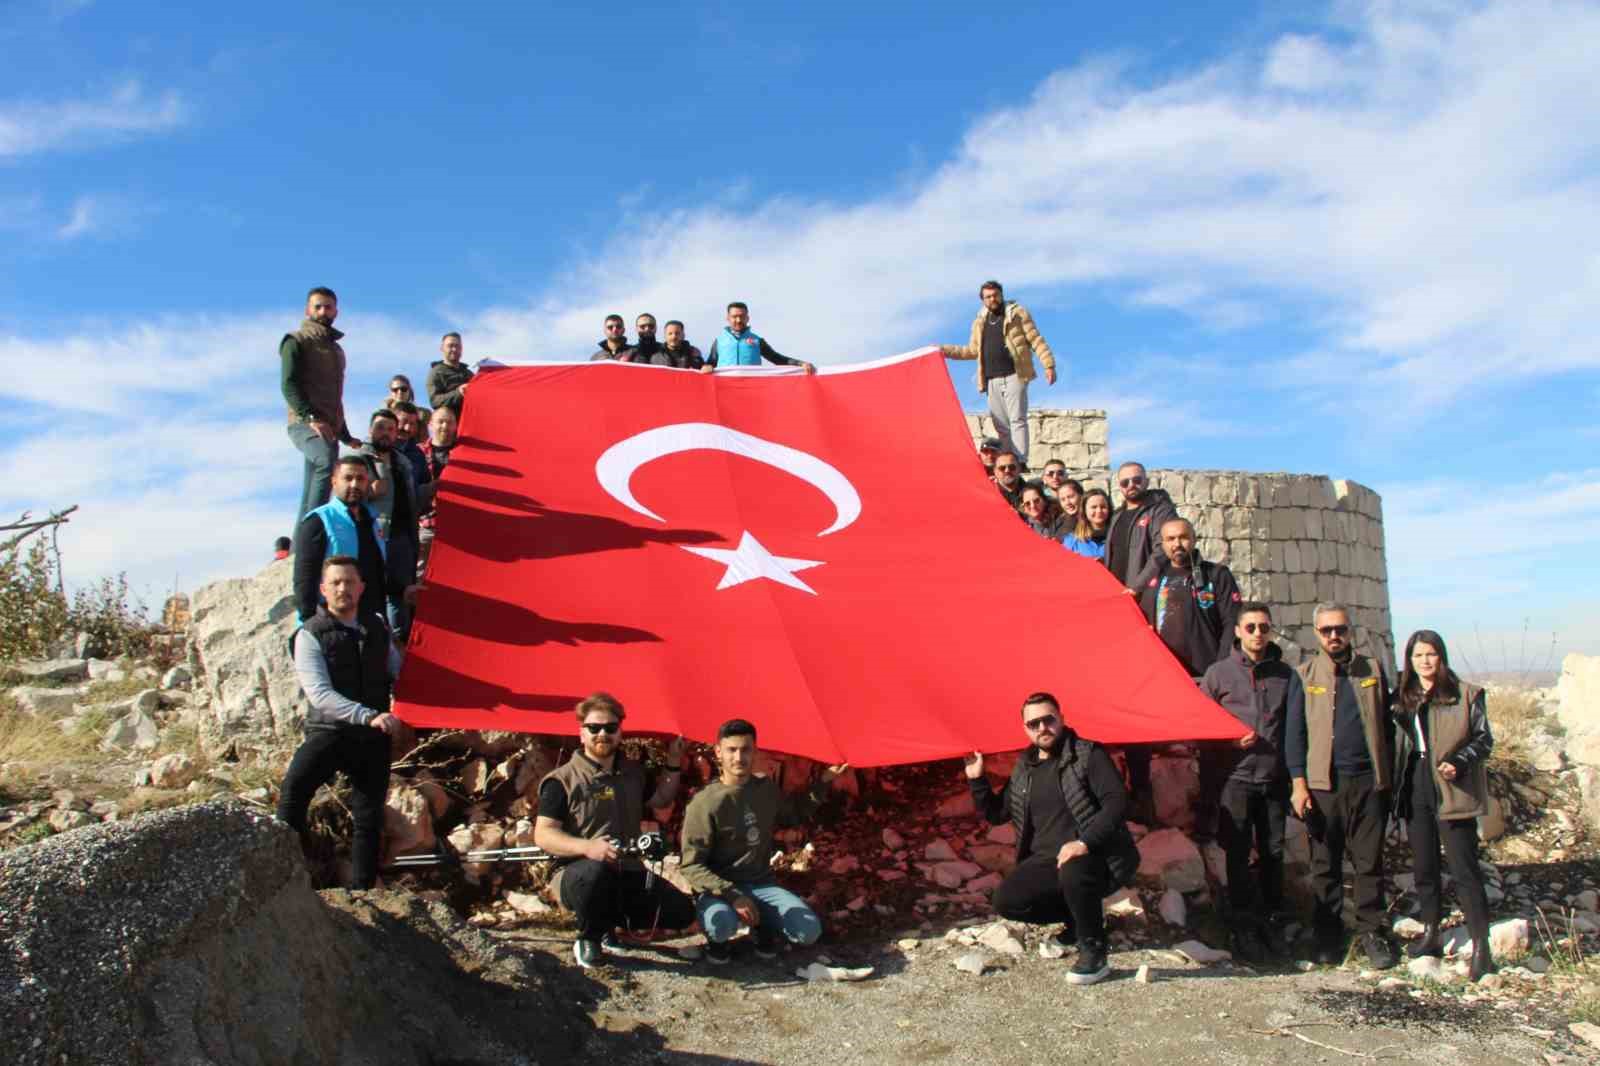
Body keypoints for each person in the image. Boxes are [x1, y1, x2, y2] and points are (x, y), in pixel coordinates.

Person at [967, 692, 1139, 986]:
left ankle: (1093, 951)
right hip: (1045, 860)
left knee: (1073, 868)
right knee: (1007, 901)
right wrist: (977, 779)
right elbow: (997, 814)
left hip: (1095, 853)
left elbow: (1117, 802)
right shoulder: (1026, 766)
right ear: (1025, 729)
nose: (1042, 728)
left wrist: (1083, 842)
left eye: (1048, 719)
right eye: (1033, 724)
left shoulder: (1088, 754)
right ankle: (1078, 919)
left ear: (1062, 719)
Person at [534, 693, 695, 969]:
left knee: (682, 912)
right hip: (577, 874)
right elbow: (544, 835)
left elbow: (661, 800)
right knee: (594, 873)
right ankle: (590, 938)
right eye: (593, 728)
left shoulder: (633, 774)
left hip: (628, 870)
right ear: (581, 733)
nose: (602, 734)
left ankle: (612, 922)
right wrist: (586, 847)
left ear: (620, 732)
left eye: (610, 728)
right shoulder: (561, 781)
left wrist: (673, 761)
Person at [276, 555, 404, 890]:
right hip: (329, 732)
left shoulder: (377, 625)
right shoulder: (309, 635)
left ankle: (365, 895)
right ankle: (292, 879)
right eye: (335, 582)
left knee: (369, 818)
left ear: (361, 587)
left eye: (349, 581)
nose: (342, 588)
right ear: (323, 589)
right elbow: (320, 695)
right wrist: (369, 715)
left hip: (372, 738)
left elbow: (397, 670)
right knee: (292, 797)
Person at [680, 719, 846, 963]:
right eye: (731, 750)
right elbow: (691, 865)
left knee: (808, 931)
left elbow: (793, 813)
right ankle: (717, 942)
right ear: (718, 752)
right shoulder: (704, 803)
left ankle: (763, 928)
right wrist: (732, 895)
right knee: (721, 925)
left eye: (746, 749)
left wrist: (824, 782)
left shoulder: (765, 789)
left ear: (755, 751)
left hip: (761, 884)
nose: (739, 757)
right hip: (720, 890)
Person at [1287, 603, 1397, 969]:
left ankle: (1371, 932)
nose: (1334, 636)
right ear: (1316, 634)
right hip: (1324, 785)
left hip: (1368, 782)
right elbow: (1295, 736)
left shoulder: (1373, 671)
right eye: (1326, 631)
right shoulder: (1304, 676)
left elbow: (1387, 726)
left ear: (1350, 631)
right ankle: (1327, 936)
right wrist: (1299, 785)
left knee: (1369, 863)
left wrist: (1389, 781)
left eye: (1340, 629)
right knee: (1325, 863)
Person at [1199, 602, 1301, 962]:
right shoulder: (1219, 674)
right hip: (1236, 779)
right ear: (1239, 632)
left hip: (1273, 779)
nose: (1258, 634)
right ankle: (1242, 922)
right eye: (1252, 627)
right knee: (1238, 853)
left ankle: (1273, 916)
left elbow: (1295, 728)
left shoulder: (1286, 676)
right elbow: (1202, 724)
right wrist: (1228, 740)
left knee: (1273, 850)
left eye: (1264, 627)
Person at [1392, 629, 1495, 979]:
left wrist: (1460, 760)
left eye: (1431, 654)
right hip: (1416, 782)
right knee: (1424, 866)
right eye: (1418, 655)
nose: (1425, 661)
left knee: (1465, 869)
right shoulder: (1403, 696)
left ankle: (1482, 946)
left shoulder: (1465, 695)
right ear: (1410, 660)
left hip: (1452, 784)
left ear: (1442, 656)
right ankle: (1431, 932)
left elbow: (1484, 739)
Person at [940, 280, 1057, 466]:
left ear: (1001, 295)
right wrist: (943, 350)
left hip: (1014, 374)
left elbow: (1035, 339)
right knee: (1001, 425)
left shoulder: (1016, 313)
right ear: (982, 300)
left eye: (995, 295)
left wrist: (1048, 365)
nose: (992, 299)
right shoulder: (980, 321)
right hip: (991, 379)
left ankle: (1020, 461)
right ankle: (1007, 461)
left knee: (1017, 419)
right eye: (988, 297)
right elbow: (972, 350)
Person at [282, 286, 359, 528]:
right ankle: (315, 530)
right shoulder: (296, 340)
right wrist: (310, 416)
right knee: (326, 464)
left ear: (336, 311)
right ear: (308, 310)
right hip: (305, 424)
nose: (323, 311)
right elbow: (288, 384)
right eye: (318, 306)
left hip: (330, 428)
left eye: (328, 306)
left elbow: (336, 398)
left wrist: (346, 435)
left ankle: (301, 543)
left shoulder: (336, 350)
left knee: (313, 484)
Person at [1133, 519, 1242, 678]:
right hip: (1164, 674)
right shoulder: (1154, 580)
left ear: (1194, 539)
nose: (1177, 543)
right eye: (1170, 539)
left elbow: (1232, 621)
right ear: (1162, 544)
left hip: (1205, 675)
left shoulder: (1216, 575)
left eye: (1183, 537)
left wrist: (1221, 668)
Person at [292, 457, 390, 624]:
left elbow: (378, 572)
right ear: (334, 481)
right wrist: (311, 624)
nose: (354, 484)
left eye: (360, 479)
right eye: (348, 478)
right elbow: (305, 578)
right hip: (331, 623)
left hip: (370, 621)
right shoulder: (318, 520)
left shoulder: (374, 523)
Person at [360, 410, 422, 643]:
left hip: (403, 537)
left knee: (400, 596)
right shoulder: (359, 459)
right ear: (370, 430)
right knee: (373, 593)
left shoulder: (403, 462)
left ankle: (397, 649)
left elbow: (412, 499)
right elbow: (344, 495)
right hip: (373, 537)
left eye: (390, 429)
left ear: (396, 434)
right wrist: (369, 491)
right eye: (380, 427)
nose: (385, 433)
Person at [1104, 462, 1180, 589]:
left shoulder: (1160, 509)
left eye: (1137, 480)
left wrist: (1138, 586)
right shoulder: (1116, 516)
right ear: (1120, 486)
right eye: (1125, 483)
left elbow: (1162, 550)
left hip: (1145, 592)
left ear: (1147, 481)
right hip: (1117, 591)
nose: (1131, 485)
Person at [702, 302, 815, 373]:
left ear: (747, 318)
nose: (738, 320)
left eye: (742, 316)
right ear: (728, 318)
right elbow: (710, 362)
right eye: (734, 317)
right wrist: (706, 366)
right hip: (725, 387)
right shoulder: (719, 341)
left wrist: (801, 364)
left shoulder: (757, 341)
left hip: (751, 387)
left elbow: (776, 358)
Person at [417, 405, 457, 574]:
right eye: (440, 422)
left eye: (449, 422)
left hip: (456, 525)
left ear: (456, 426)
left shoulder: (465, 453)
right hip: (425, 524)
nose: (444, 426)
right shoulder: (417, 452)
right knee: (420, 575)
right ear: (431, 424)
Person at [391, 402, 433, 500]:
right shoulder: (377, 448)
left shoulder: (418, 455)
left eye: (412, 424)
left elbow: (423, 487)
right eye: (404, 422)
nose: (407, 428)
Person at [426, 332, 473, 412]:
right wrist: (458, 393)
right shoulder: (436, 372)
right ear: (442, 348)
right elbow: (434, 401)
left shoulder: (469, 374)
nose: (454, 349)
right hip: (449, 422)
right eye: (450, 346)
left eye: (457, 346)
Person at [1062, 488, 1110, 560]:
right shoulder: (1072, 541)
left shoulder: (1117, 536)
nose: (1099, 511)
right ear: (1084, 510)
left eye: (1103, 507)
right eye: (1093, 507)